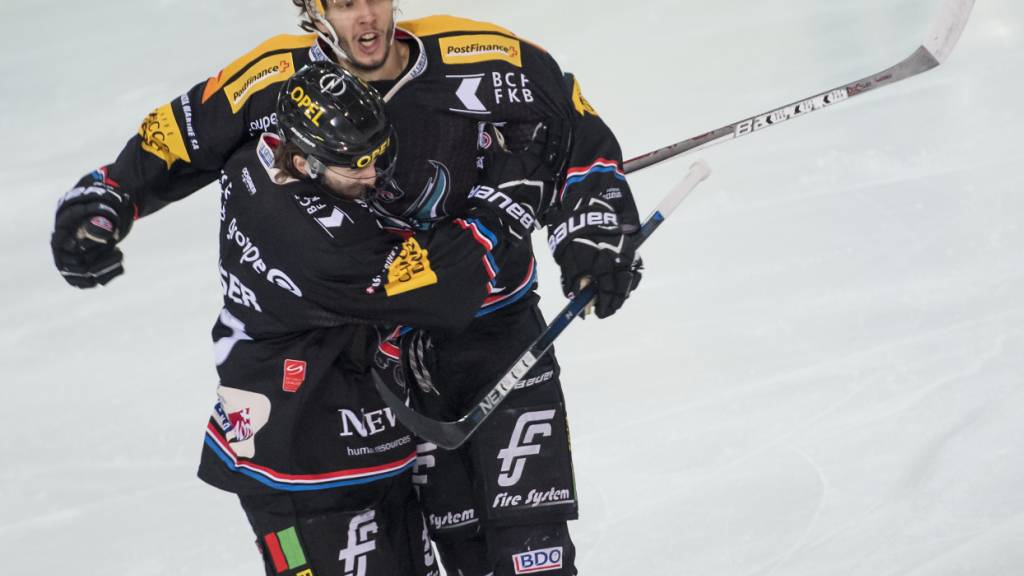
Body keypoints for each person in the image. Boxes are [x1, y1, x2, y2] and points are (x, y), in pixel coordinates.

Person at [50, 2, 644, 574]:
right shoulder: (271, 85)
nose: (366, 18)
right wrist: (109, 196)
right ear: (311, 10)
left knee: (531, 555)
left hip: (492, 340)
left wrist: (594, 230)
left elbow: (572, 134)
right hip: (378, 370)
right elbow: (175, 138)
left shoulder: (486, 57)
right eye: (342, 3)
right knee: (456, 547)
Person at [198, 61, 549, 575]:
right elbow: (447, 294)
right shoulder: (323, 247)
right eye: (354, 165)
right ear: (303, 159)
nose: (373, 175)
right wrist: (502, 205)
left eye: (375, 156)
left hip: (332, 434)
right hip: (299, 466)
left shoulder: (253, 161)